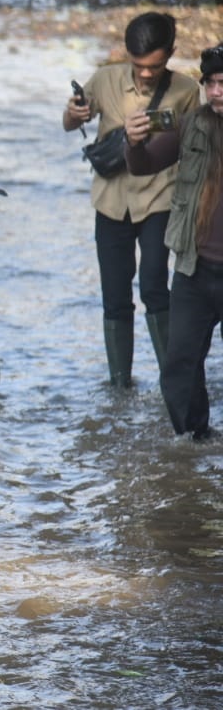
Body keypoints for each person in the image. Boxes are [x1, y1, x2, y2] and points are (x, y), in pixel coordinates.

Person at [62, 12, 200, 387]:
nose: (144, 74)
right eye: (138, 66)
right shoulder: (106, 79)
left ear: (170, 54)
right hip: (111, 202)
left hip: (159, 200)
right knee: (114, 294)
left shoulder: (186, 91)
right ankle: (119, 384)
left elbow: (195, 150)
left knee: (156, 285)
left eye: (154, 66)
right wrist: (74, 113)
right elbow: (71, 120)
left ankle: (173, 381)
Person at [125, 45, 223, 441]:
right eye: (212, 83)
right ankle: (193, 443)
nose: (218, 92)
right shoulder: (189, 125)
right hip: (193, 269)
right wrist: (132, 142)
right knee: (179, 364)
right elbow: (144, 165)